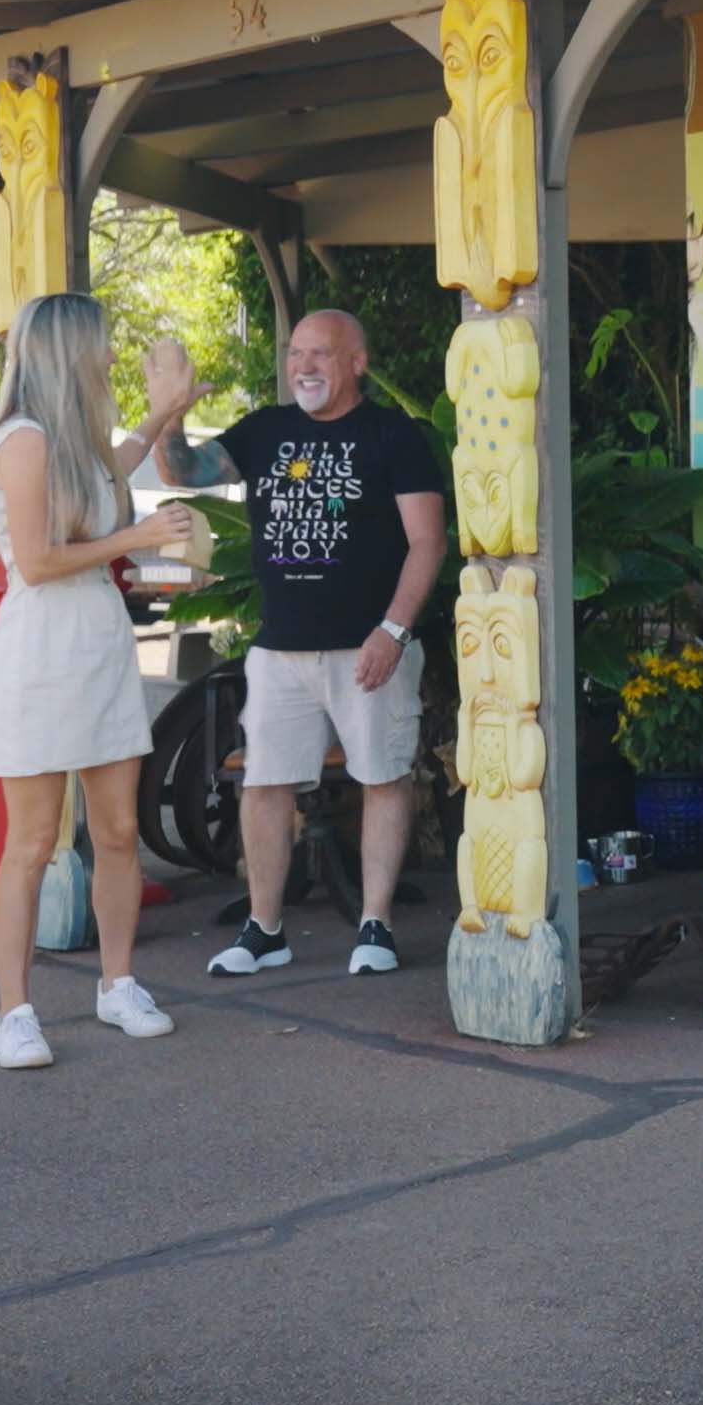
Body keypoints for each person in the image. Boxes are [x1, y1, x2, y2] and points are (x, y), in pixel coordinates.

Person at [157, 309, 448, 979]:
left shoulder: (393, 436)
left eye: (321, 353)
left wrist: (394, 631)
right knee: (263, 784)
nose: (304, 366)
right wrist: (170, 413)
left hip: (370, 647)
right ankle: (265, 930)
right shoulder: (266, 430)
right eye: (296, 354)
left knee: (382, 775)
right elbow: (181, 470)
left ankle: (374, 924)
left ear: (357, 364)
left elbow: (428, 543)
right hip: (280, 649)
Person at [0, 293, 207, 1070]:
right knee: (34, 843)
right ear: (70, 351)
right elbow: (38, 564)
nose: (111, 357)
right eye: (103, 346)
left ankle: (118, 984)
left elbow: (122, 459)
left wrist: (163, 412)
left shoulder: (73, 442)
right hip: (39, 652)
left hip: (98, 645)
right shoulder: (23, 441)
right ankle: (14, 1012)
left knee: (116, 832)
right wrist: (138, 537)